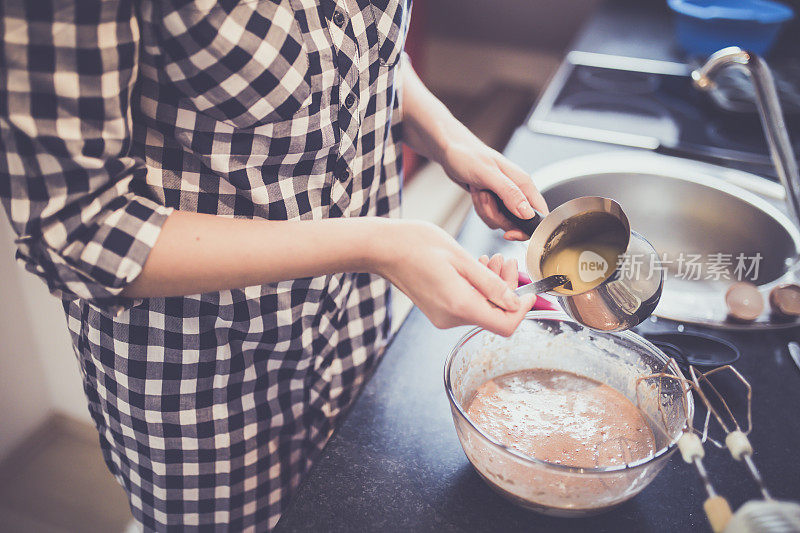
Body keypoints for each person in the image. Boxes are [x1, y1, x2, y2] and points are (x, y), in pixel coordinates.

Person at [0, 0, 547, 529]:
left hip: (352, 319)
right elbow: (73, 228)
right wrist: (377, 246)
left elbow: (357, 57)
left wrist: (450, 140)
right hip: (198, 371)